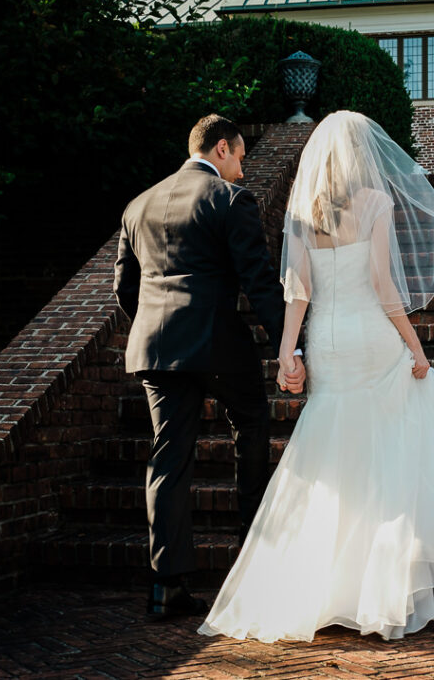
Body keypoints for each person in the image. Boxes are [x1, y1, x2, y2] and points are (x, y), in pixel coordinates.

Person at [197, 110, 434, 643]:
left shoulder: (301, 212)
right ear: (361, 155)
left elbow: (297, 291)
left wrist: (286, 353)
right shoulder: (375, 203)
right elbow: (383, 286)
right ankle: (384, 581)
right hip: (369, 336)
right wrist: (417, 348)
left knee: (332, 450)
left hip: (327, 341)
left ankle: (317, 583)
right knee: (397, 436)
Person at [114, 114, 306, 621]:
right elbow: (259, 281)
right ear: (221, 149)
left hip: (156, 348)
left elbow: (124, 289)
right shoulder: (228, 200)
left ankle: (165, 585)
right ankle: (253, 561)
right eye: (240, 157)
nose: (241, 169)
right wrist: (291, 347)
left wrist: (157, 329)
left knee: (168, 458)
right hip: (218, 342)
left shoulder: (138, 205)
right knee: (251, 425)